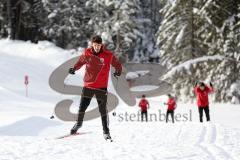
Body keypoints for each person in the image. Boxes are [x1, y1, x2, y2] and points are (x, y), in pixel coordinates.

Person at [68, 35, 122, 140]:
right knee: (82, 107)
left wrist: (118, 71)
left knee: (102, 110)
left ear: (101, 45)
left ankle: (106, 132)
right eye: (95, 45)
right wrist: (74, 69)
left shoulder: (108, 55)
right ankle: (78, 124)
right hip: (88, 85)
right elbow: (80, 62)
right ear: (92, 44)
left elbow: (117, 64)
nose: (97, 47)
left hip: (101, 87)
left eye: (99, 45)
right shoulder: (87, 53)